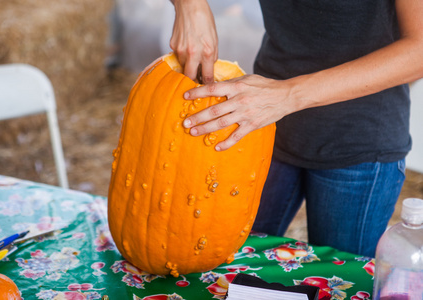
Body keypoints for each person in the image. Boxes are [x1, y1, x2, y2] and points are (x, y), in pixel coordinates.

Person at [168, 0, 423, 257]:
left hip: (358, 142)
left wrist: (288, 96)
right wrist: (190, 5)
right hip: (261, 124)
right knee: (219, 262)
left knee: (339, 286)